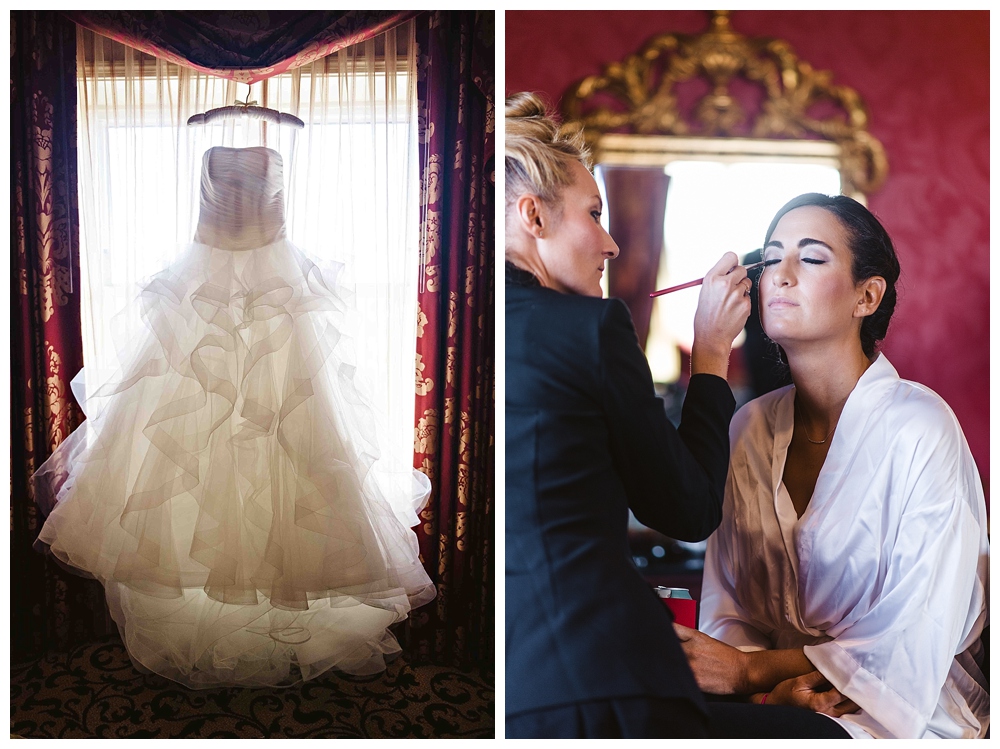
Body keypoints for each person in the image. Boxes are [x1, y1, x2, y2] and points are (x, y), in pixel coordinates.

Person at [31, 146, 435, 688]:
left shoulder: (265, 147)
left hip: (276, 291)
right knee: (195, 452)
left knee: (287, 441)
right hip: (206, 283)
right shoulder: (222, 146)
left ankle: (268, 632)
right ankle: (211, 630)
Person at [506, 89, 772, 738]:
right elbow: (687, 507)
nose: (612, 243)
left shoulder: (461, 339)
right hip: (602, 678)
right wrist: (710, 352)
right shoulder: (590, 328)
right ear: (532, 215)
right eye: (593, 214)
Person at [681, 193, 990, 738]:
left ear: (866, 296)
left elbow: (914, 633)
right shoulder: (748, 428)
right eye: (772, 257)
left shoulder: (920, 427)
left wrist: (753, 669)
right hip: (775, 707)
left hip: (895, 714)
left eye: (813, 258)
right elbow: (728, 607)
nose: (782, 274)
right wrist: (764, 690)